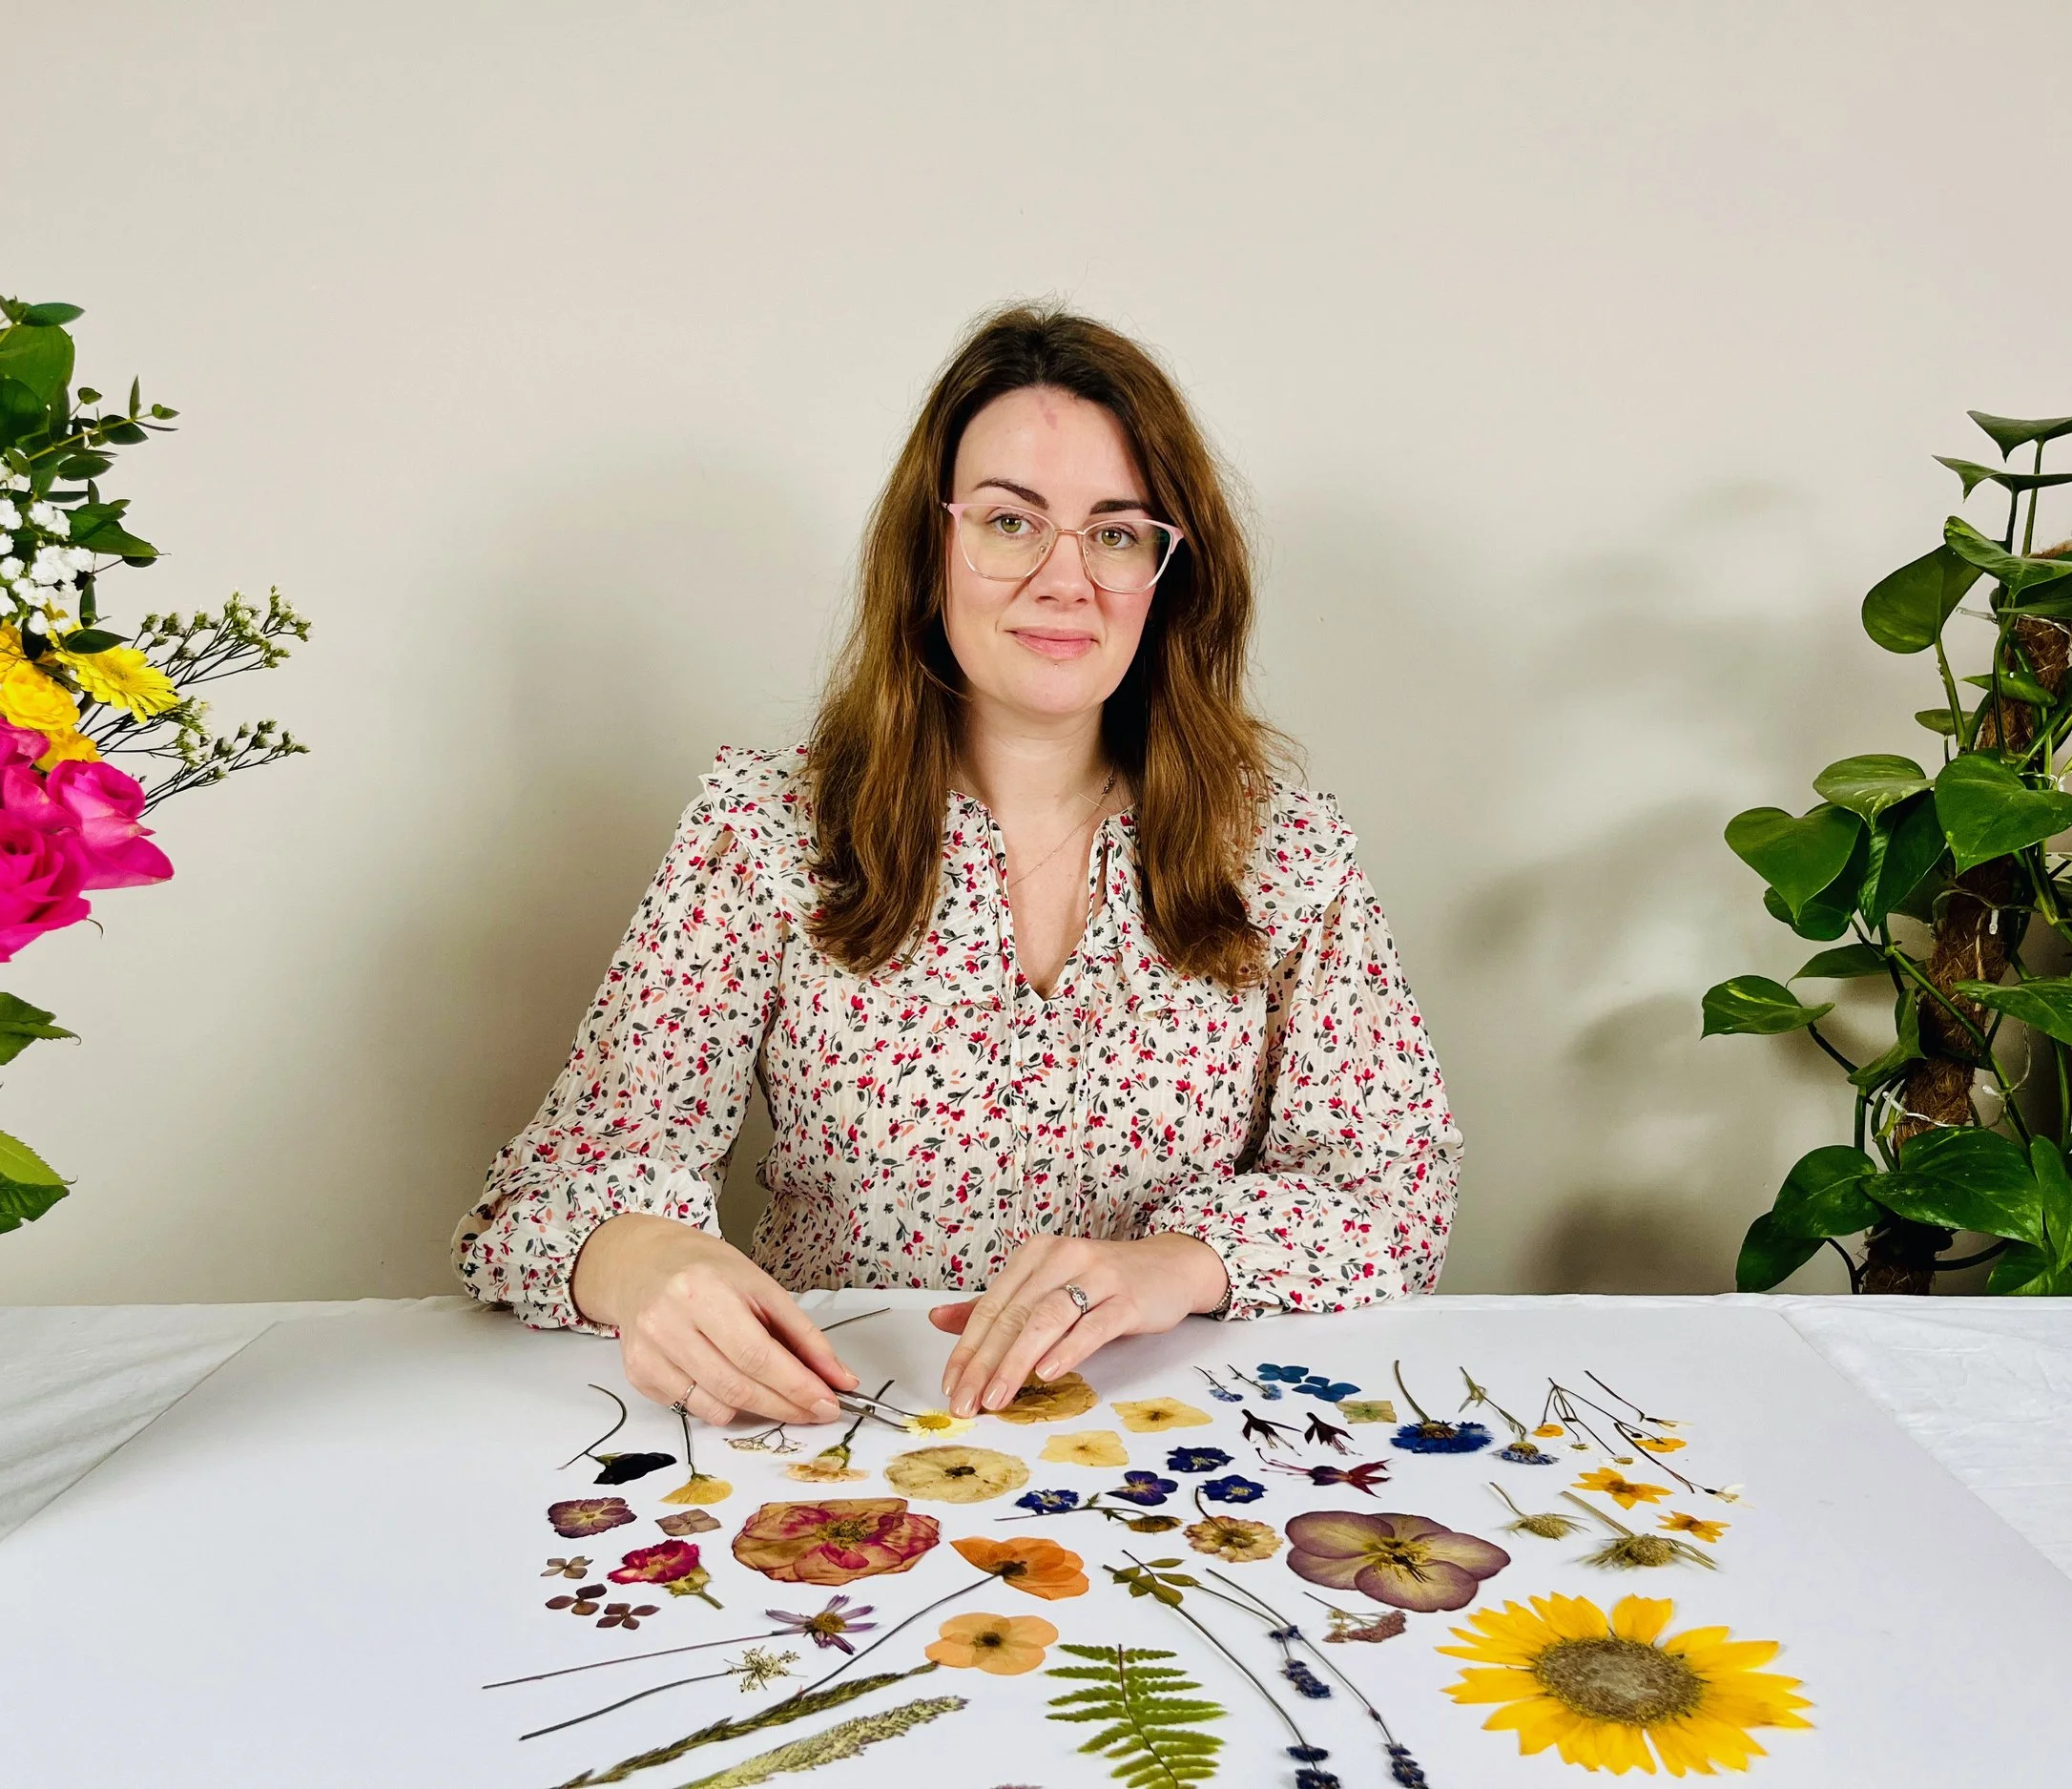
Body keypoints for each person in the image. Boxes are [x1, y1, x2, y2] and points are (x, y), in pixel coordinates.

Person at [453, 303, 1460, 1430]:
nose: (1064, 578)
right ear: (930, 548)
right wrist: (645, 1267)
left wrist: (1172, 1265)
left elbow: (1393, 1192)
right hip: (842, 1434)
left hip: (1189, 1444)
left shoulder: (1282, 851)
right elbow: (542, 1198)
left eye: (1118, 533)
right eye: (1008, 522)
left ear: (1170, 575)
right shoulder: (770, 829)